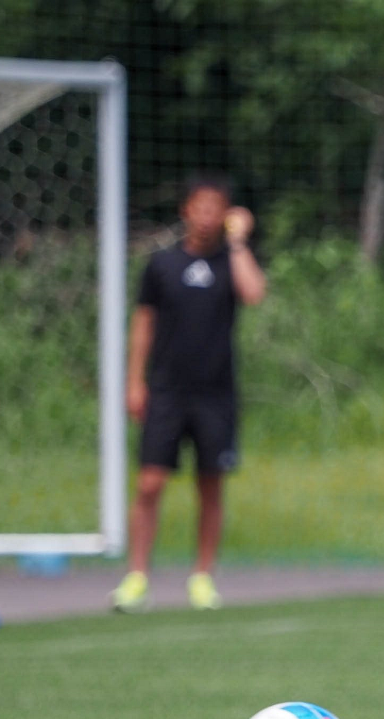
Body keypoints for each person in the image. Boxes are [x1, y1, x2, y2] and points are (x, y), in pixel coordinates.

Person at [111, 175, 267, 613]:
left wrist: (238, 244)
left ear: (226, 215)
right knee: (150, 482)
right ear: (186, 212)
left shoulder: (228, 262)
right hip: (165, 390)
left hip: (215, 393)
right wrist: (134, 381)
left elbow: (254, 294)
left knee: (211, 484)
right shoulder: (161, 265)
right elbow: (143, 324)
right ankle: (137, 576)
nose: (206, 217)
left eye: (215, 209)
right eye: (199, 208)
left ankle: (202, 577)